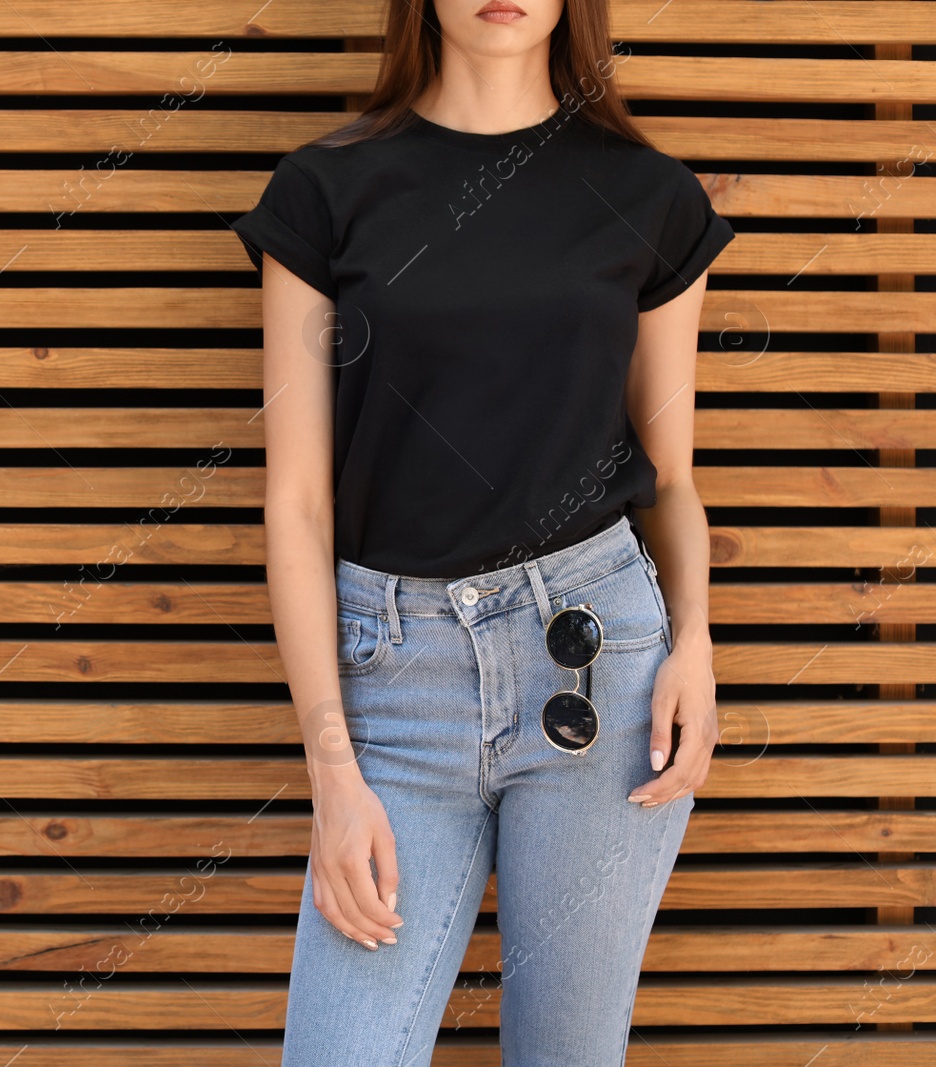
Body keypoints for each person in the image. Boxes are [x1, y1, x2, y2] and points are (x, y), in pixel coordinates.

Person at [228, 0, 732, 1063]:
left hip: (600, 674)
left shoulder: (647, 197)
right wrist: (331, 766)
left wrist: (694, 641)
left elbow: (672, 474)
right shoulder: (324, 194)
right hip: (392, 682)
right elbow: (298, 503)